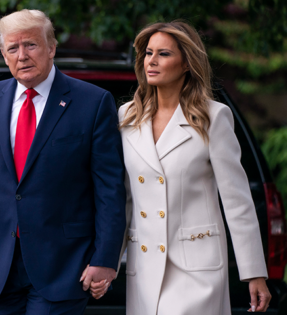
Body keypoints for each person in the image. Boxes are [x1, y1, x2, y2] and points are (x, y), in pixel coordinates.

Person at [0, 9, 126, 314]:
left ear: (51, 48)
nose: (22, 56)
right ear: (4, 55)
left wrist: (106, 259)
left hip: (64, 265)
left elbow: (109, 190)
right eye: (13, 48)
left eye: (30, 45)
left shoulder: (93, 102)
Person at [115, 21, 271, 314]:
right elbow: (124, 197)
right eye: (148, 53)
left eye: (164, 54)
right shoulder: (127, 117)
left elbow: (237, 201)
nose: (152, 61)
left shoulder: (213, 117)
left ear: (187, 63)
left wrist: (254, 273)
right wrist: (108, 261)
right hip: (144, 267)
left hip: (198, 270)